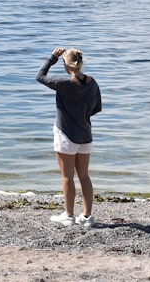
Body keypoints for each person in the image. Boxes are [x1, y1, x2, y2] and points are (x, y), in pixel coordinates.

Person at [36, 47, 102, 228]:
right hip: (85, 134)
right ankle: (87, 216)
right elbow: (96, 108)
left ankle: (69, 215)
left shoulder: (64, 83)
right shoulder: (92, 82)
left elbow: (40, 76)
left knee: (67, 177)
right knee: (84, 176)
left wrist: (52, 58)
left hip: (66, 135)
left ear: (66, 64)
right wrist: (81, 116)